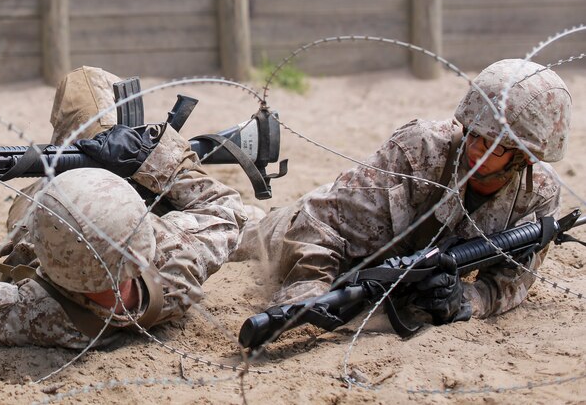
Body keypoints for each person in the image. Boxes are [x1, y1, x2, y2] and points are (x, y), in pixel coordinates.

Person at [0, 66, 263, 348]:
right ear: (147, 236)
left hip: (87, 215)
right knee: (99, 102)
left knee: (81, 87)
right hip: (123, 211)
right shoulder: (176, 259)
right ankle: (118, 148)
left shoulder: (40, 311)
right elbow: (227, 208)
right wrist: (149, 156)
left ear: (45, 255)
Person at [237, 58, 571, 327]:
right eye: (472, 133)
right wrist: (308, 294)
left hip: (386, 282)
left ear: (524, 157)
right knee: (236, 234)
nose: (475, 148)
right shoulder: (421, 148)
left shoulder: (538, 194)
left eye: (492, 145)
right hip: (296, 233)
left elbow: (510, 281)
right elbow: (321, 222)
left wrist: (461, 301)